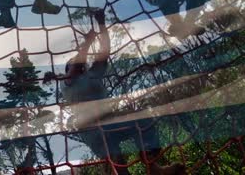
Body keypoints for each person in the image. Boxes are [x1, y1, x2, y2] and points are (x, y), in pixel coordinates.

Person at [45, 9, 184, 174]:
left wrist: (102, 23)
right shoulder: (67, 84)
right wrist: (87, 43)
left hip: (110, 121)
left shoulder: (92, 75)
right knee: (118, 163)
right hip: (92, 130)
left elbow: (104, 52)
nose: (82, 64)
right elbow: (74, 68)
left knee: (142, 120)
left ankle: (153, 167)